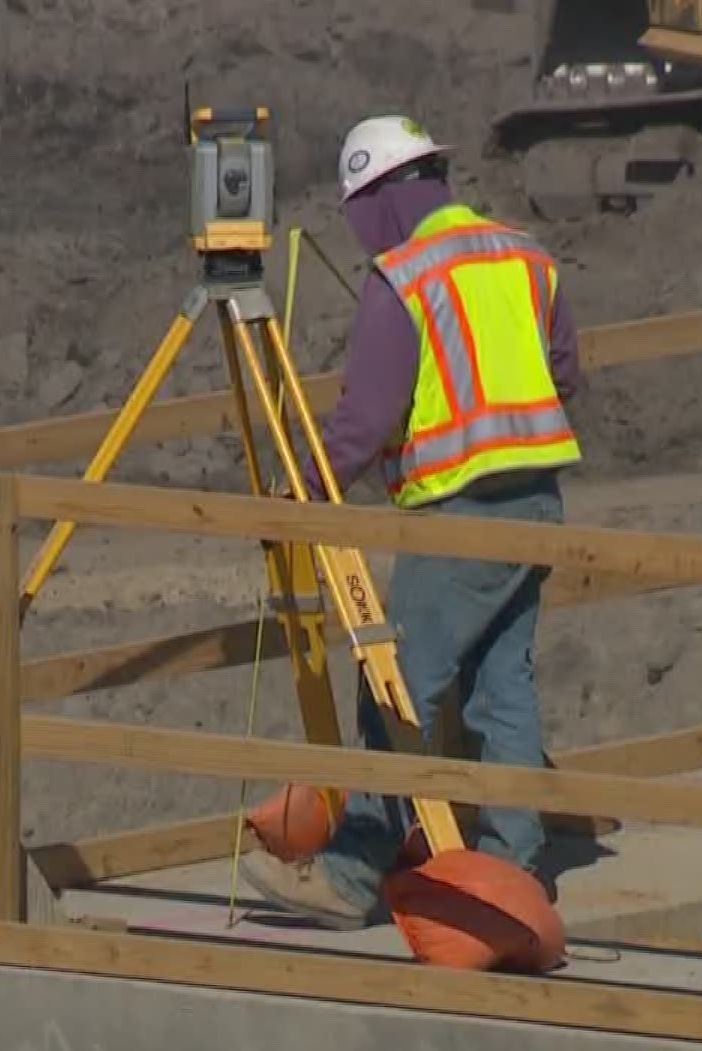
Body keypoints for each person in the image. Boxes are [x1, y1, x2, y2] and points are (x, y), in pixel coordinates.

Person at [238, 115, 586, 930]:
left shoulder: (407, 275)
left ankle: (352, 875)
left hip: (460, 513)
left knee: (398, 691)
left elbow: (367, 415)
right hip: (539, 498)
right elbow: (563, 369)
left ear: (378, 199)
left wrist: (307, 489)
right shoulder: (524, 253)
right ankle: (512, 869)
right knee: (507, 689)